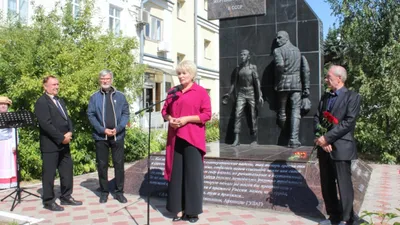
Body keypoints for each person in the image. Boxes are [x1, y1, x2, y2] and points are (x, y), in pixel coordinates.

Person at [162, 60, 211, 223]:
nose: (181, 76)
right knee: (177, 175)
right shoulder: (172, 92)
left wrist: (186, 120)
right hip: (175, 138)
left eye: (184, 73)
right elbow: (164, 111)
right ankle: (178, 209)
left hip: (193, 139)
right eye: (179, 73)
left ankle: (192, 212)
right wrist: (170, 119)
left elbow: (206, 115)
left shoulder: (201, 92)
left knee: (192, 176)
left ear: (192, 75)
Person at [314, 65, 361, 225]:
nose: (326, 79)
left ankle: (346, 219)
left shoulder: (352, 97)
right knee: (327, 184)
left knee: (344, 184)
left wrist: (327, 138)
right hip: (324, 148)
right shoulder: (325, 97)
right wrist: (321, 139)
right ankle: (333, 216)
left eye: (328, 77)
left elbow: (348, 122)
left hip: (341, 147)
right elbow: (317, 118)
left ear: (339, 78)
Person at [34, 75, 82, 211]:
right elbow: (46, 124)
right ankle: (48, 201)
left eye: (57, 84)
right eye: (53, 84)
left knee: (67, 170)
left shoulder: (60, 100)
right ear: (45, 87)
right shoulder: (41, 102)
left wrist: (70, 132)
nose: (56, 87)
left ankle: (66, 196)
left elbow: (67, 118)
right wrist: (61, 137)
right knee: (49, 174)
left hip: (65, 143)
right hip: (51, 144)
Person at [87, 69, 130, 204]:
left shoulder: (121, 96)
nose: (105, 81)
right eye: (102, 79)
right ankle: (104, 192)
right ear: (100, 80)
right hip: (101, 137)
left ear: (111, 80)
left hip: (118, 136)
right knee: (102, 165)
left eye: (107, 78)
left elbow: (126, 114)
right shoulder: (94, 97)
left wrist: (118, 128)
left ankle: (119, 192)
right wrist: (102, 129)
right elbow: (90, 115)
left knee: (119, 165)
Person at [273, 30, 310, 148]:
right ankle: (294, 139)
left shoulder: (278, 50)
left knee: (282, 111)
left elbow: (280, 65)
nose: (277, 41)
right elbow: (305, 70)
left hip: (283, 83)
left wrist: (277, 78)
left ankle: (283, 137)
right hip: (297, 84)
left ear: (286, 38)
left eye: (279, 38)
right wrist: (306, 87)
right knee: (295, 111)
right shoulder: (297, 50)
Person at [222, 49, 263, 146]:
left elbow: (257, 82)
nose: (242, 56)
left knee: (253, 115)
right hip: (241, 93)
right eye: (241, 55)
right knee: (237, 114)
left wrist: (260, 95)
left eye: (244, 55)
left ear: (248, 57)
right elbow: (234, 83)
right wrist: (229, 93)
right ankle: (236, 139)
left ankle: (254, 139)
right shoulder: (238, 68)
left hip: (251, 92)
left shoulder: (253, 68)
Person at [0, 96, 17, 190]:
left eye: (5, 104)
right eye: (1, 104)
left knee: (8, 163)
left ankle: (9, 183)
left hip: (8, 142)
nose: (3, 106)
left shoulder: (11, 116)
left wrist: (14, 144)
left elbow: (14, 131)